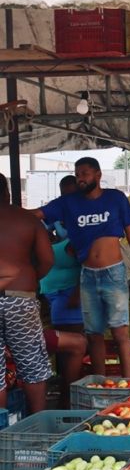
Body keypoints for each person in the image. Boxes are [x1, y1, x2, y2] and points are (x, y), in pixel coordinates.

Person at [37, 157, 130, 379]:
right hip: (87, 275)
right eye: (78, 174)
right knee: (94, 335)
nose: (81, 178)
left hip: (114, 273)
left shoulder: (115, 198)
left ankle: (127, 384)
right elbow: (37, 214)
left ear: (98, 175)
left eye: (85, 173)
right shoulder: (68, 202)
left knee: (120, 333)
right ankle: (101, 383)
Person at [0, 173, 55, 415]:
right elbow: (46, 260)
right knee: (32, 365)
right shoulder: (27, 220)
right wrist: (30, 280)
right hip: (19, 299)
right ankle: (37, 424)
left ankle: (2, 429)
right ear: (8, 193)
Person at [40, 175, 83, 332]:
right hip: (53, 291)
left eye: (71, 195)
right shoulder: (57, 213)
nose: (68, 200)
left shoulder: (84, 217)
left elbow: (87, 264)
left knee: (73, 341)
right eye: (64, 195)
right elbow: (41, 226)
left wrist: (78, 293)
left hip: (70, 291)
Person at [44, 329, 87, 409]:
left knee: (79, 341)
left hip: (32, 332)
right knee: (79, 342)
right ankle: (67, 401)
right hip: (26, 336)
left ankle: (66, 400)